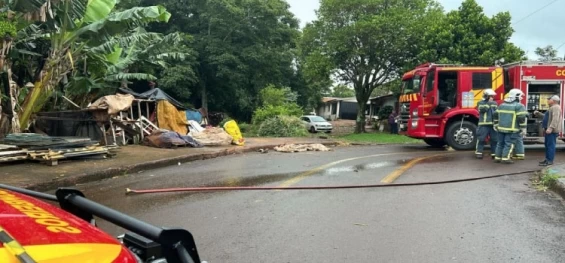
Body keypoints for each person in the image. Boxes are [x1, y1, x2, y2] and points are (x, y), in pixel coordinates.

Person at [493, 89, 528, 164]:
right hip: (512, 130)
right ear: (516, 96)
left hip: (501, 128)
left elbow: (495, 115)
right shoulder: (519, 106)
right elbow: (521, 118)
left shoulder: (502, 105)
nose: (521, 98)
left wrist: (495, 124)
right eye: (521, 96)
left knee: (500, 143)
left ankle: (497, 157)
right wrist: (523, 128)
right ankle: (506, 158)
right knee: (509, 144)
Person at [536, 95, 562, 166]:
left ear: (553, 100)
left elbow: (555, 119)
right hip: (548, 130)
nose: (547, 100)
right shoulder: (552, 107)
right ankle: (547, 159)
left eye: (549, 99)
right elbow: (547, 117)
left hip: (552, 131)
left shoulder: (556, 107)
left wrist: (550, 128)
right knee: (547, 145)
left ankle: (550, 160)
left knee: (550, 145)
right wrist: (539, 114)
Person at [475, 89, 498, 159]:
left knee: (494, 140)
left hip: (493, 125)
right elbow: (482, 110)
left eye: (493, 96)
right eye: (491, 96)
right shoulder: (480, 103)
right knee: (481, 139)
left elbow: (496, 113)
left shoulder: (495, 103)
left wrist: (497, 123)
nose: (492, 97)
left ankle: (494, 154)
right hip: (483, 124)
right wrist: (489, 103)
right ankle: (479, 153)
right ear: (486, 96)